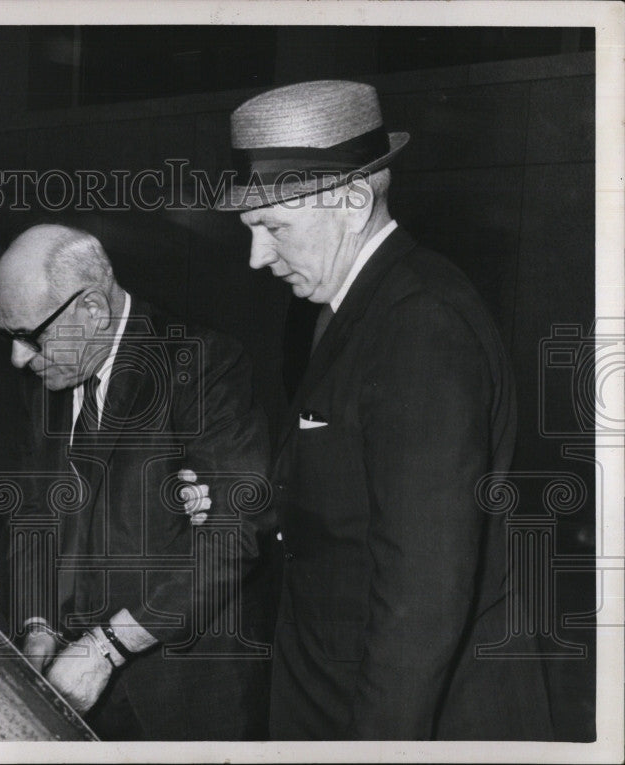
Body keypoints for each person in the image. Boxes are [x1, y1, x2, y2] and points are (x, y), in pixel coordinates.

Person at [220, 80, 553, 740]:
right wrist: (253, 499)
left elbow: (422, 601)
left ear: (350, 201)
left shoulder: (419, 325)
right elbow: (359, 488)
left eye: (273, 227)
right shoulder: (353, 306)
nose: (257, 257)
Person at [0, 224, 275, 740]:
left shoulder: (203, 364)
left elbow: (230, 540)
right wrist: (38, 626)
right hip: (71, 693)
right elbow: (33, 514)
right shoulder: (50, 376)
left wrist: (105, 647)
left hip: (184, 701)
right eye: (7, 336)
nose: (18, 358)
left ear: (93, 309)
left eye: (30, 336)